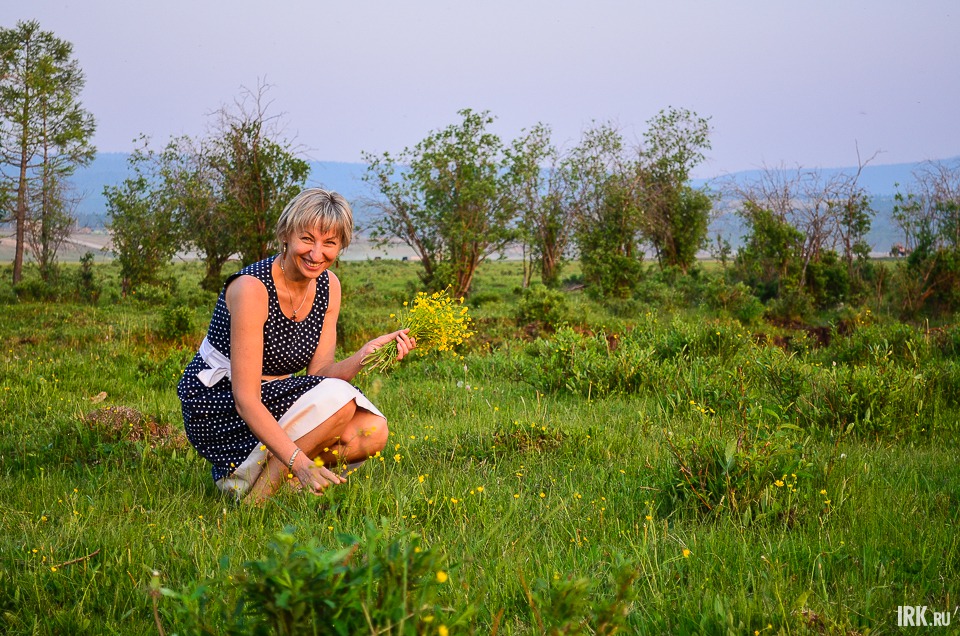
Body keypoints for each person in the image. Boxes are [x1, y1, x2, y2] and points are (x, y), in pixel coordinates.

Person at [177, 188, 415, 502]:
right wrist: (301, 462)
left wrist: (363, 355)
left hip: (273, 397)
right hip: (220, 404)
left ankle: (279, 486)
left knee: (373, 430)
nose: (317, 254)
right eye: (307, 239)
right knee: (342, 402)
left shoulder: (329, 287)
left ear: (340, 246)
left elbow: (320, 375)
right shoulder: (252, 288)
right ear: (286, 235)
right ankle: (258, 498)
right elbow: (245, 399)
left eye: (329, 243)